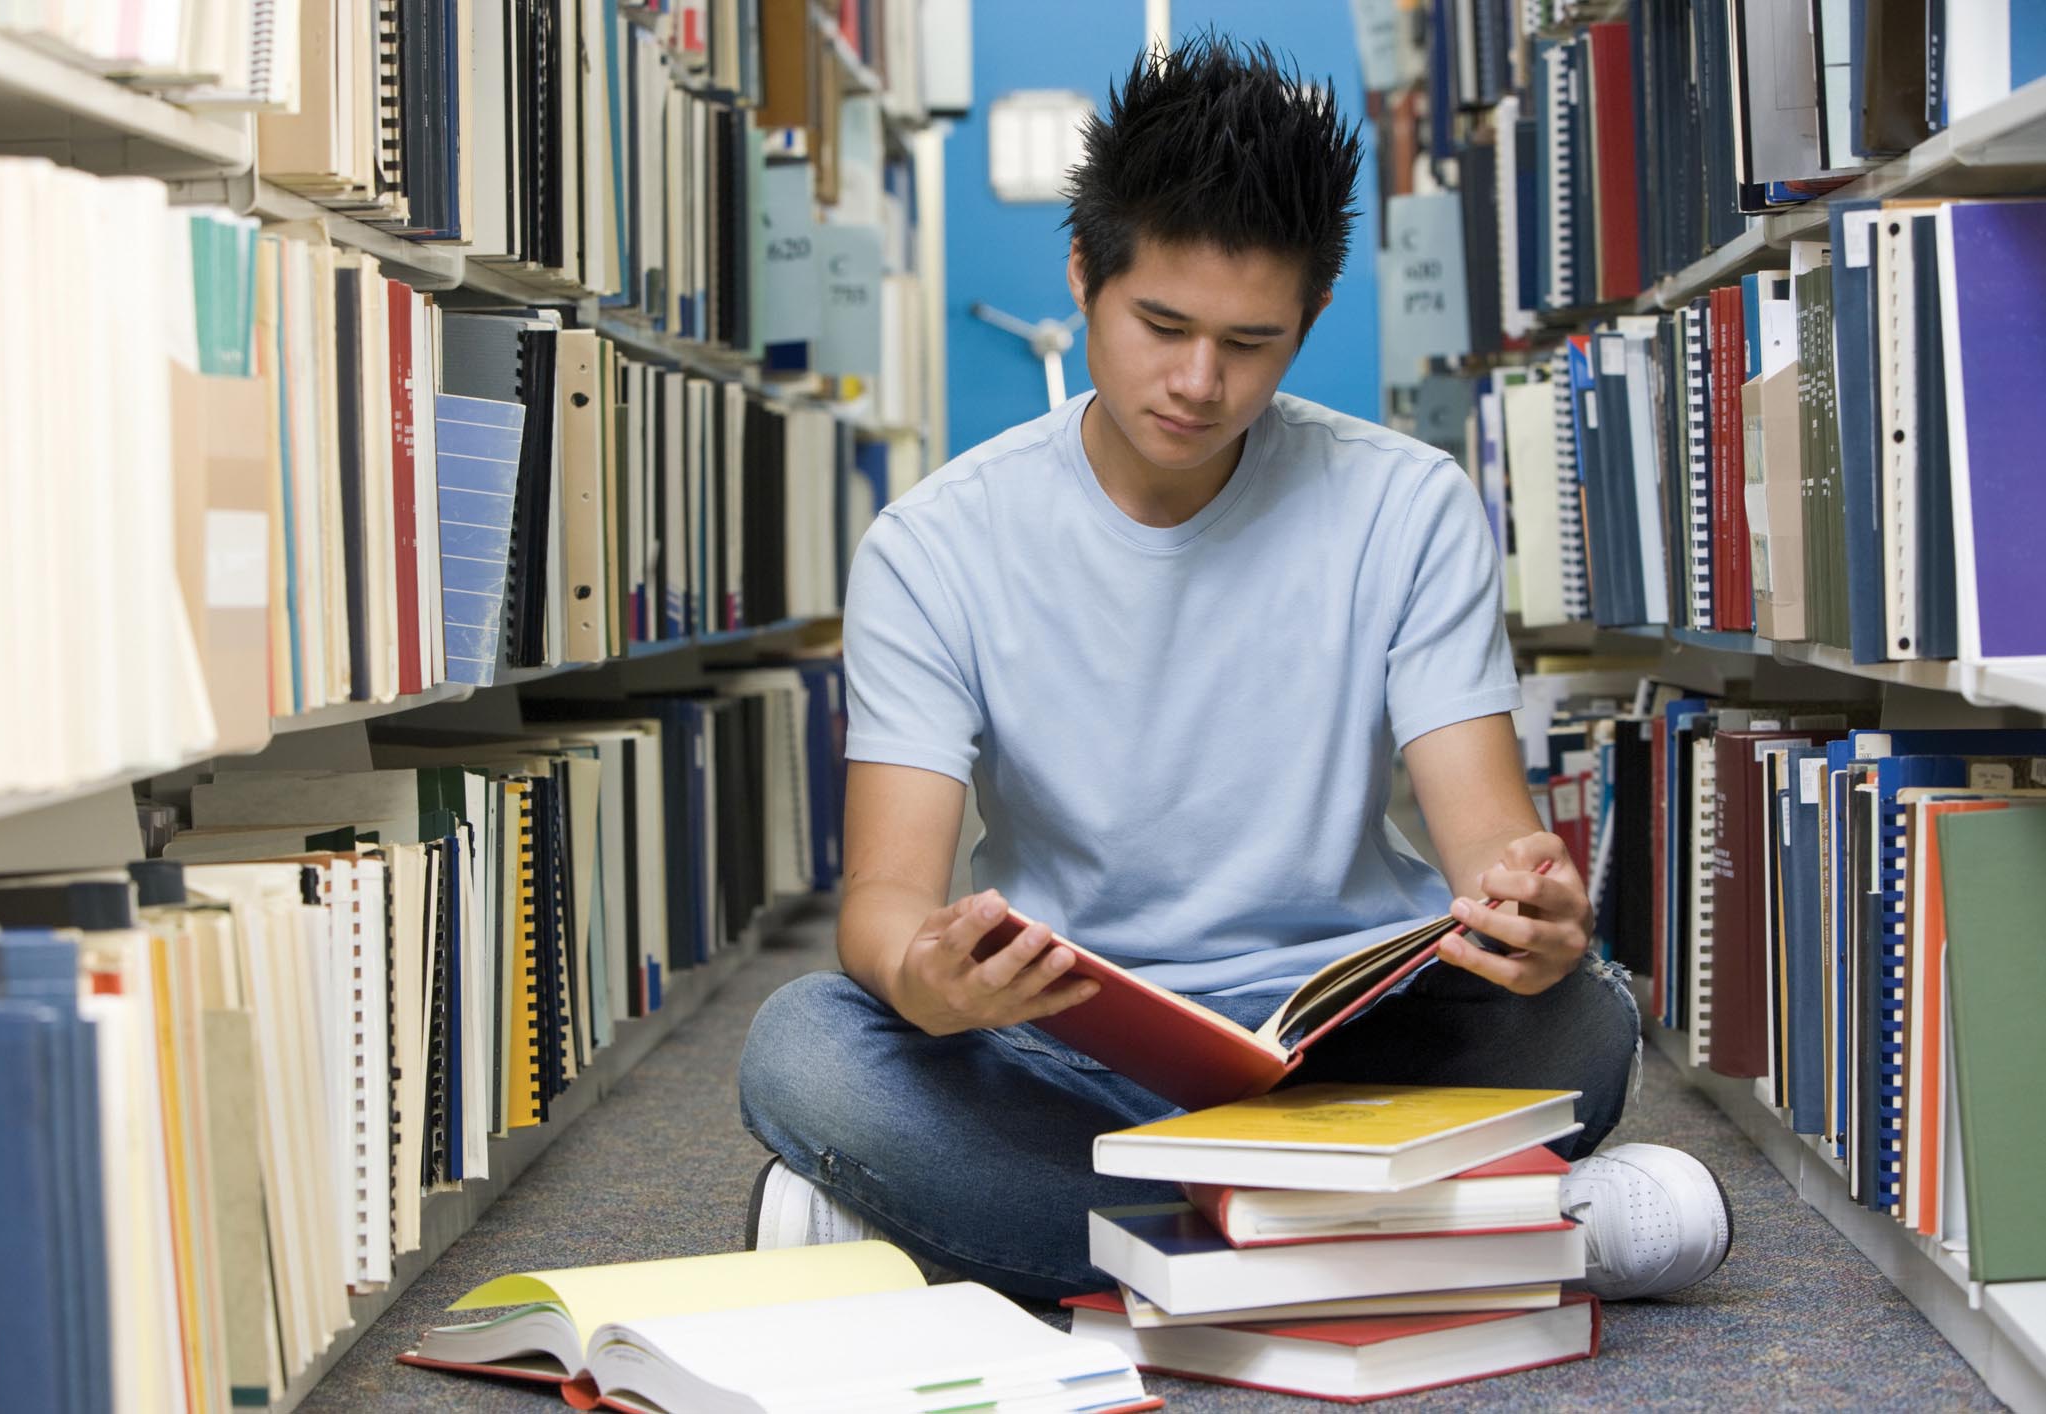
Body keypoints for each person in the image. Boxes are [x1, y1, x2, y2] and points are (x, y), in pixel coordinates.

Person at [737, 34, 1730, 1304]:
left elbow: (1492, 842)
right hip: (1070, 1051)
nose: (1199, 384)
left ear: (1312, 319)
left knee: (1578, 1018)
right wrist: (927, 978)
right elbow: (882, 899)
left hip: (1353, 1044)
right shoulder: (933, 544)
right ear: (1085, 274)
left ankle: (1067, 1239)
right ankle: (1474, 1233)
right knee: (804, 1046)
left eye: (1251, 343)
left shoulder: (1407, 507)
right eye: (1162, 325)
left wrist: (1528, 916)